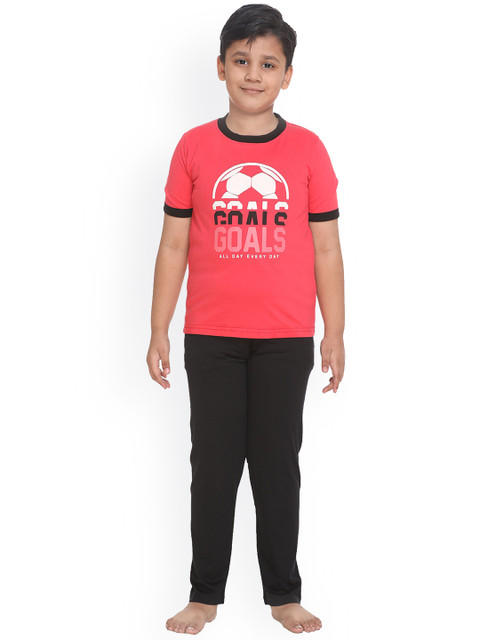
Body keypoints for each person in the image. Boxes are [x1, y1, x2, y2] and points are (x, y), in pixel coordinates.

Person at [146, 3, 345, 634]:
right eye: (241, 61)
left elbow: (326, 248)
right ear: (221, 67)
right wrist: (158, 327)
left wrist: (335, 331)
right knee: (214, 466)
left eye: (268, 64)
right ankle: (204, 594)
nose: (253, 74)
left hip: (286, 336)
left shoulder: (308, 150)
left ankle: (283, 593)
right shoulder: (194, 147)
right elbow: (173, 244)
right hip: (211, 337)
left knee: (276, 466)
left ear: (288, 75)